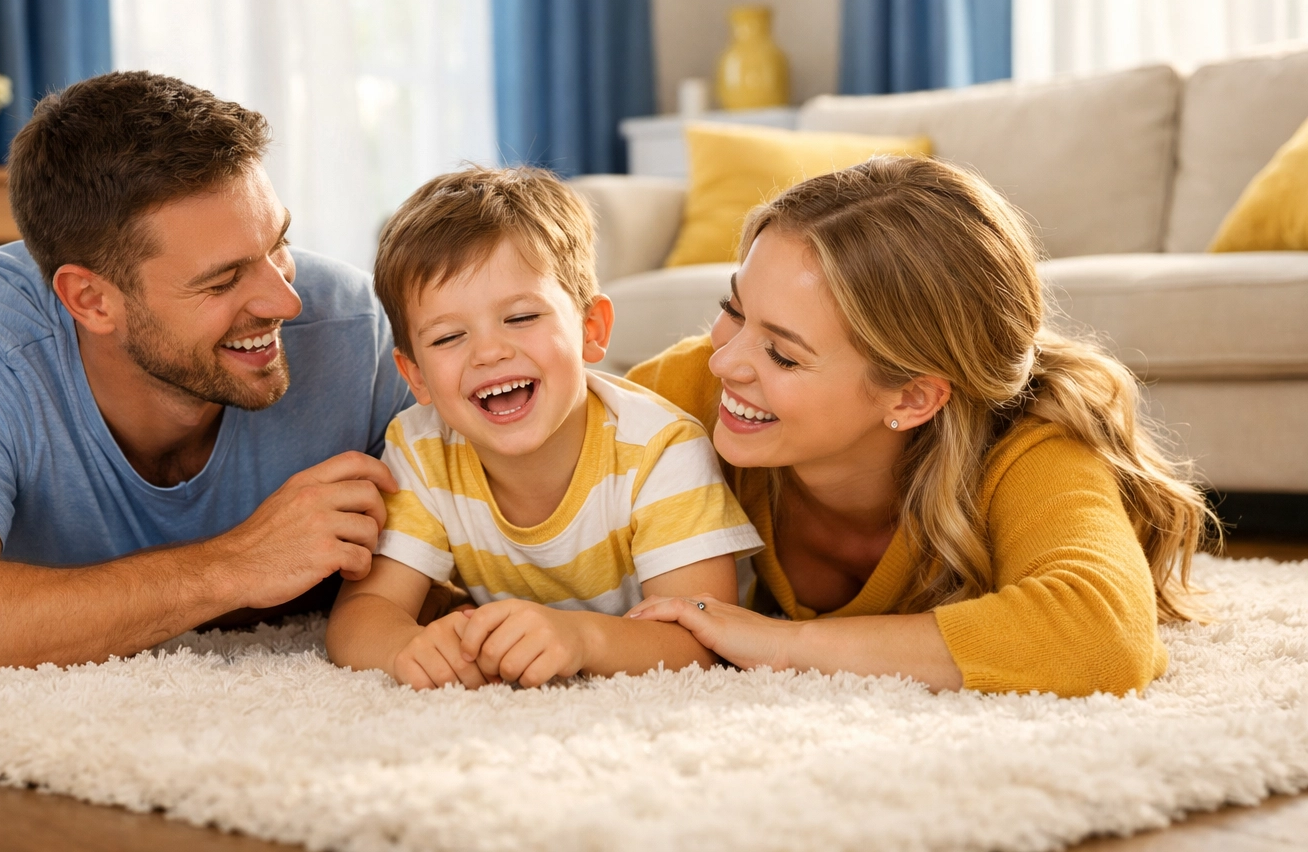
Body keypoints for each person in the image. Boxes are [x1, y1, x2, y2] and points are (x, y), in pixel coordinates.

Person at [0, 71, 412, 680]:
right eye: (222, 280)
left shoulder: (354, 327)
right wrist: (234, 565)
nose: (285, 302)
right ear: (91, 300)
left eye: (278, 243)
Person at [626, 156, 1217, 697]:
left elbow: (1102, 637)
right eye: (734, 311)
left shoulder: (1029, 444)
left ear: (911, 398)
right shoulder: (690, 396)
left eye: (783, 354)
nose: (723, 361)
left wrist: (780, 645)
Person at [325, 168, 763, 689]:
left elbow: (700, 641)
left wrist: (581, 639)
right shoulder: (420, 449)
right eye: (447, 338)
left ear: (591, 330)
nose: (489, 352)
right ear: (415, 375)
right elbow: (365, 610)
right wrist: (404, 649)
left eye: (520, 318)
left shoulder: (660, 448)